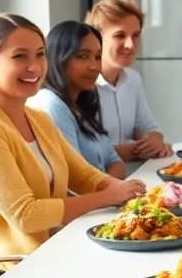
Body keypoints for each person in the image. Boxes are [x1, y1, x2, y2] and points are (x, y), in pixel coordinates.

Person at [0, 14, 145, 262]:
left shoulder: (37, 118)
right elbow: (26, 215)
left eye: (40, 54)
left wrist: (130, 193)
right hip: (6, 270)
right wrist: (108, 197)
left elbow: (83, 175)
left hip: (51, 253)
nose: (35, 67)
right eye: (20, 56)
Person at [29, 21, 127, 179]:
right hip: (90, 203)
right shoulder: (51, 104)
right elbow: (76, 179)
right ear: (58, 59)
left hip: (106, 201)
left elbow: (115, 161)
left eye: (97, 57)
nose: (94, 66)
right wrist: (112, 191)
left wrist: (113, 190)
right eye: (83, 56)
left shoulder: (82, 102)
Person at [83, 0, 170, 162]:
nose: (130, 45)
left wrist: (155, 140)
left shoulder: (133, 79)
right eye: (120, 35)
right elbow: (88, 153)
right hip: (103, 182)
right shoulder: (82, 85)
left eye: (135, 35)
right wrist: (138, 150)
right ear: (96, 39)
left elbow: (148, 127)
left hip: (137, 174)